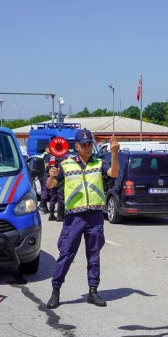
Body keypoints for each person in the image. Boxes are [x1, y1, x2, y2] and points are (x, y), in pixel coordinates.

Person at [45, 130, 120, 309]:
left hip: (94, 216)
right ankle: (55, 292)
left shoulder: (99, 163)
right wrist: (52, 176)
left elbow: (114, 173)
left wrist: (115, 154)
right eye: (83, 145)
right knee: (66, 254)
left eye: (89, 144)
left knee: (94, 255)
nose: (87, 148)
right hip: (74, 218)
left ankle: (93, 292)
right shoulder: (66, 164)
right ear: (76, 146)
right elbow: (49, 186)